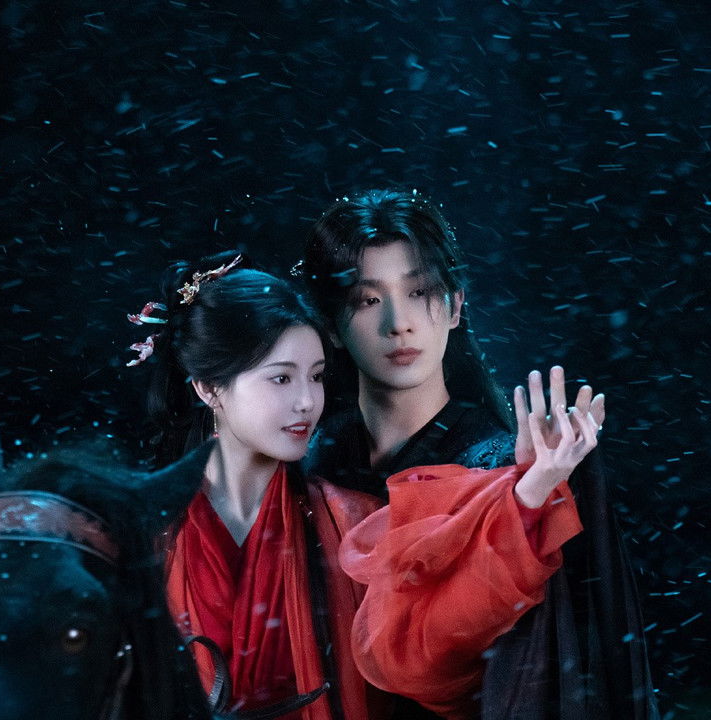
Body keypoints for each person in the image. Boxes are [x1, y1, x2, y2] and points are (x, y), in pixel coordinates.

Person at [127, 250, 595, 720]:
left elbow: (422, 651)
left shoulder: (351, 525)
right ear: (208, 388)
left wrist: (532, 490)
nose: (307, 401)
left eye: (315, 376)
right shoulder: (142, 536)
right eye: (281, 378)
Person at [299, 190, 659, 719]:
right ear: (331, 324)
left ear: (455, 304)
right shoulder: (313, 468)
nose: (398, 323)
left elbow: (533, 678)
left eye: (419, 291)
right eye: (367, 300)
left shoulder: (501, 463)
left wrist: (528, 496)